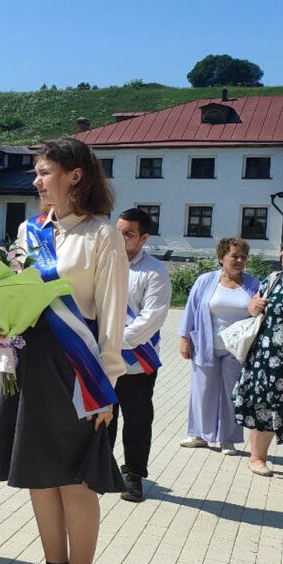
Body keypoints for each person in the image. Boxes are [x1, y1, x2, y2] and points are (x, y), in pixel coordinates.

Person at [0, 137, 128, 564]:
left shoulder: (102, 234)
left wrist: (106, 388)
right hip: (29, 362)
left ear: (74, 175)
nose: (35, 180)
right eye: (36, 173)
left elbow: (113, 312)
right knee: (40, 474)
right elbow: (14, 293)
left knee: (73, 481)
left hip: (76, 370)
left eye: (43, 172)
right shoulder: (29, 231)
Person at [108, 208, 171, 502]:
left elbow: (153, 317)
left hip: (136, 361)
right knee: (101, 416)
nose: (120, 237)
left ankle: (133, 475)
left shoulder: (155, 271)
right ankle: (100, 467)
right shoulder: (104, 263)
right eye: (118, 230)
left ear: (144, 238)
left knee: (136, 420)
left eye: (128, 233)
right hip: (102, 359)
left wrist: (117, 342)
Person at [233, 234, 283, 476]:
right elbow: (253, 305)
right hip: (266, 359)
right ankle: (257, 458)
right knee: (262, 406)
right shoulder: (274, 279)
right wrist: (252, 307)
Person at [177, 238, 258, 455]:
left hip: (237, 349)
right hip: (205, 343)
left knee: (232, 394)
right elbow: (191, 308)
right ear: (222, 258)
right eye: (234, 256)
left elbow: (260, 314)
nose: (240, 260)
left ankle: (227, 439)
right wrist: (185, 338)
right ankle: (199, 435)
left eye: (243, 256)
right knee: (202, 391)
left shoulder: (253, 284)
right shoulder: (206, 280)